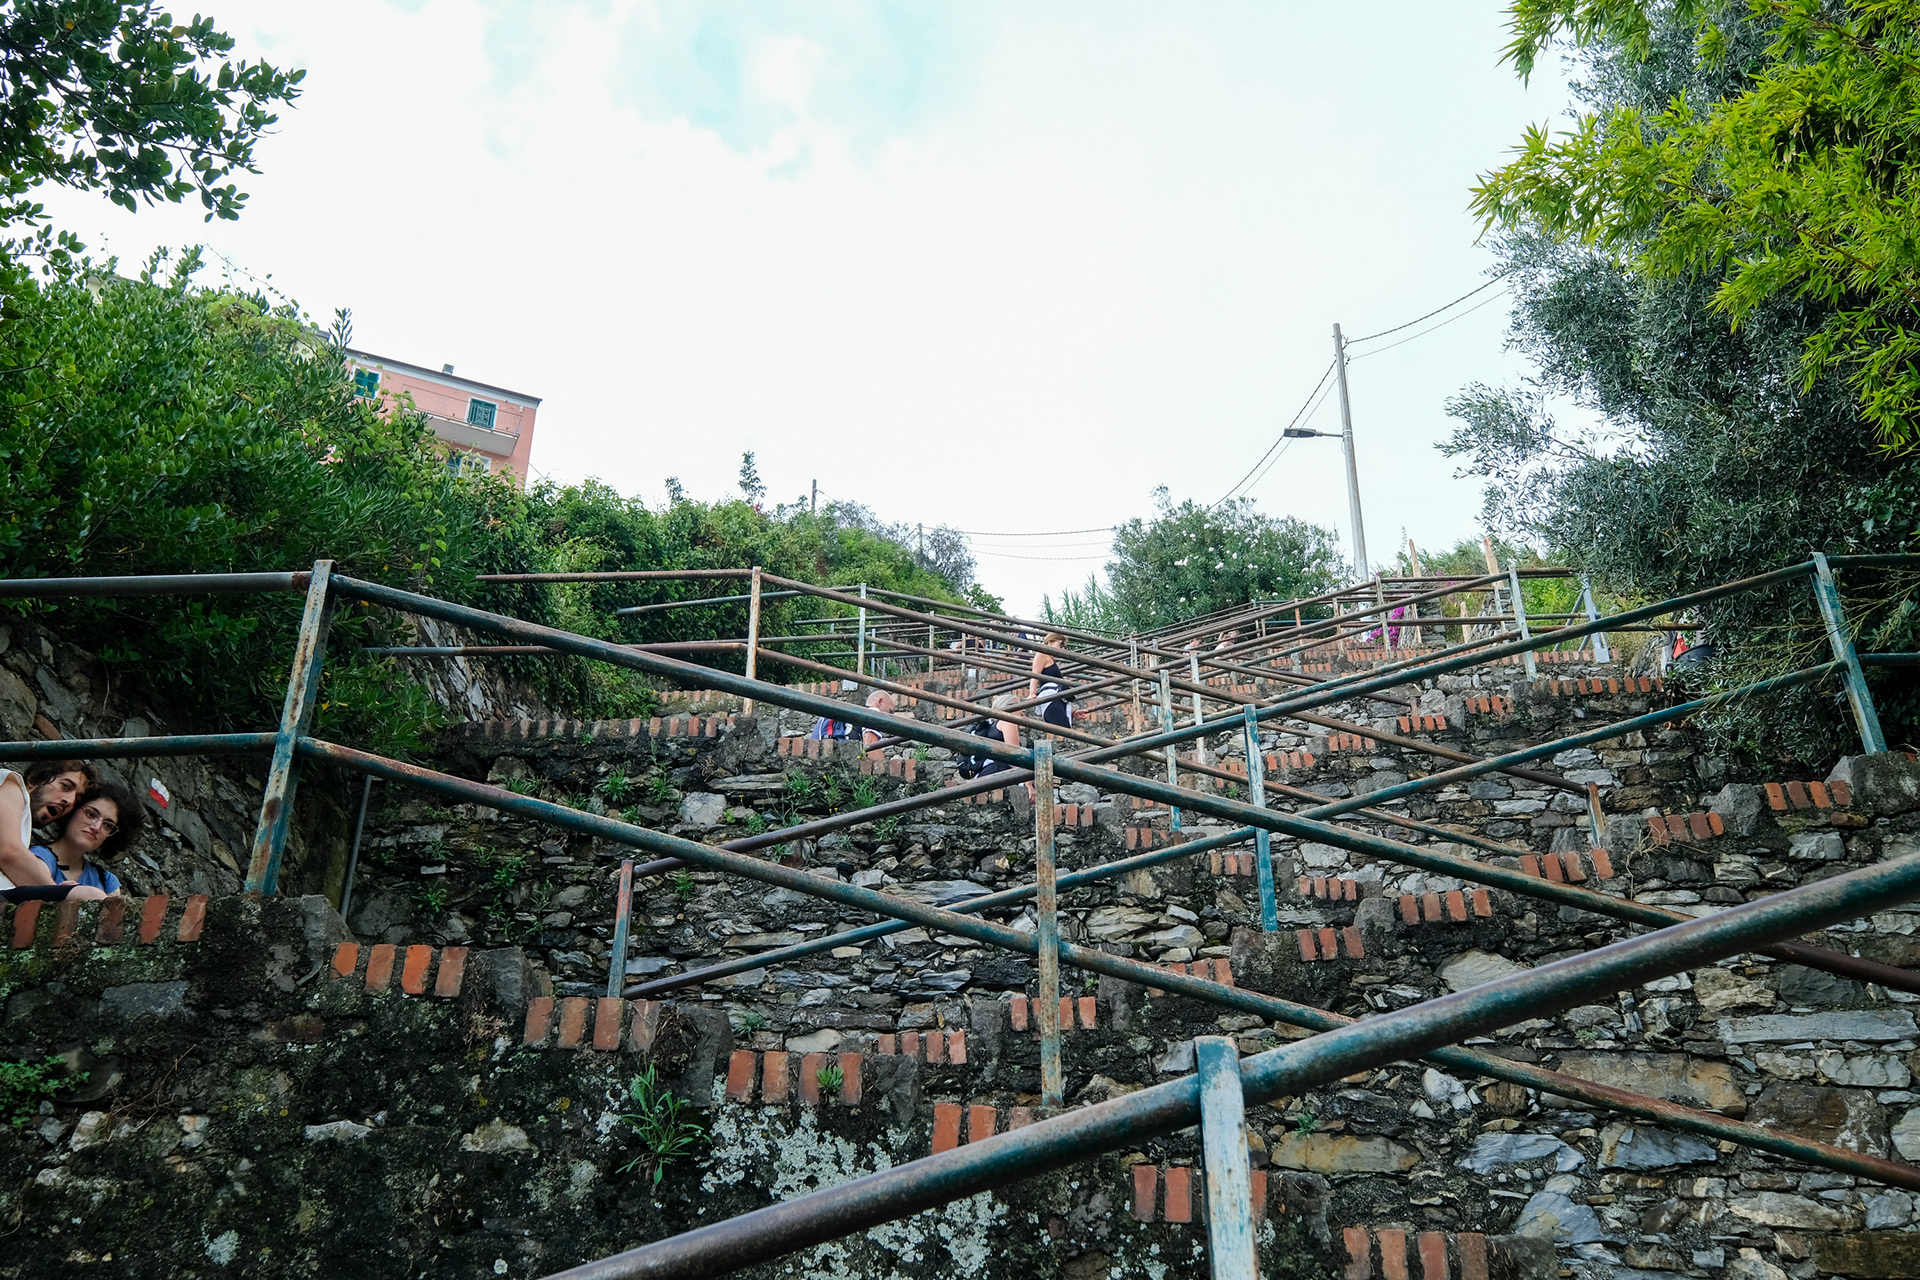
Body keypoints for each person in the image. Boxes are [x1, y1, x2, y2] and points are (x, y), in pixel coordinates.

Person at [0, 760, 95, 902]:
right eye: (65, 786)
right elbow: (10, 854)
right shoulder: (10, 784)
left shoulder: (23, 825)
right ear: (33, 779)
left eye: (77, 799)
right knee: (88, 895)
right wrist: (57, 893)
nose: (70, 801)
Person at [32, 782, 137, 896]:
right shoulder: (38, 857)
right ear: (73, 810)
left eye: (107, 825)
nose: (96, 827)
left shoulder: (107, 881)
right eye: (90, 814)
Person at [1027, 632, 1073, 730]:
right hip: (1050, 697)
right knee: (1064, 731)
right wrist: (1032, 693)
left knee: (1065, 730)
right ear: (1051, 641)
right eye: (1061, 644)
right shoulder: (1042, 654)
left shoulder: (1050, 658)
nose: (1062, 649)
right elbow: (1035, 674)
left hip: (1057, 698)